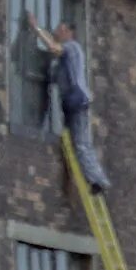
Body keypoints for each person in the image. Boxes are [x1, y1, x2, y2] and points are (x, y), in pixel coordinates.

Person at [26, 13, 110, 191]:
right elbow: (53, 46)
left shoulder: (72, 47)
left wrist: (36, 29)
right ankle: (96, 178)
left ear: (68, 31)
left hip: (76, 101)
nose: (56, 32)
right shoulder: (68, 50)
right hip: (72, 103)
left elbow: (53, 47)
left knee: (81, 143)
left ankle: (98, 180)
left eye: (59, 30)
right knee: (79, 142)